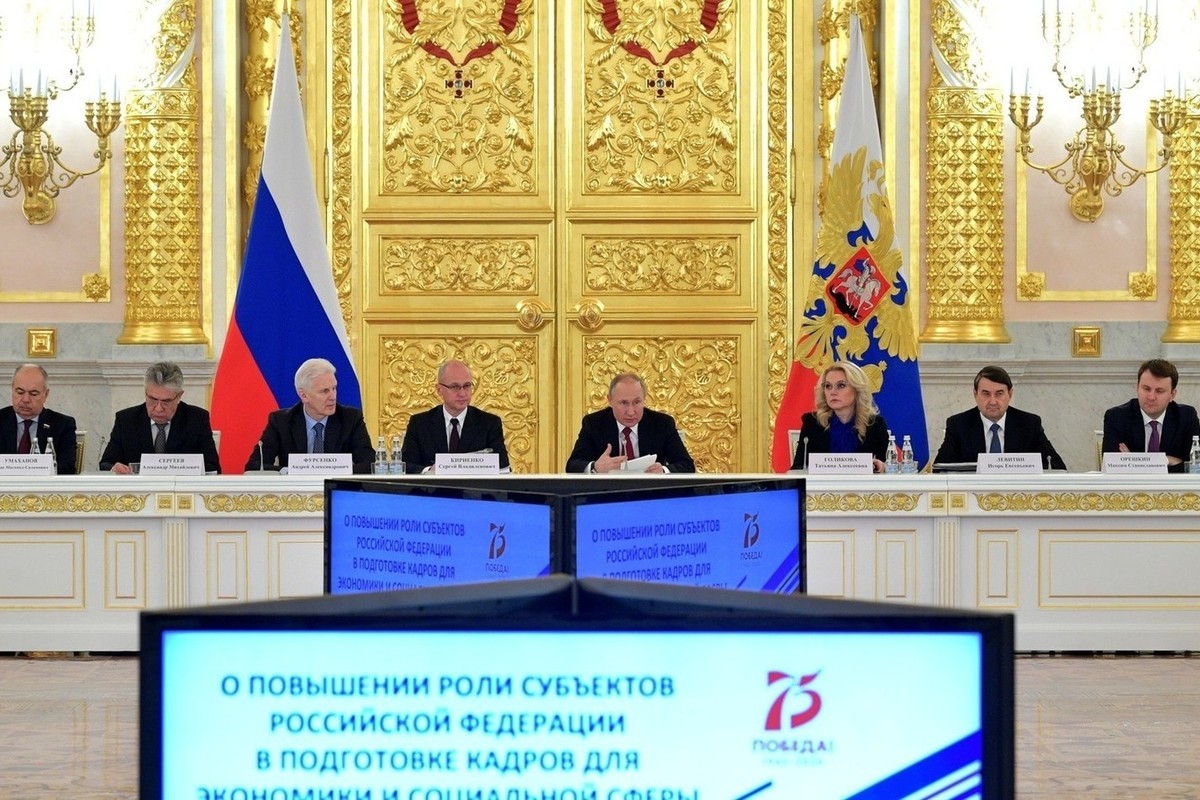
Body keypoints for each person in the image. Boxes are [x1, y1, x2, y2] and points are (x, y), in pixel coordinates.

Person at [245, 358, 374, 473]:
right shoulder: (281, 421)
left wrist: (333, 471)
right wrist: (291, 472)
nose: (333, 397)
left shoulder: (351, 418)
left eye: (334, 388)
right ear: (304, 395)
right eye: (325, 391)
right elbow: (254, 466)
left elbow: (370, 464)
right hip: (296, 491)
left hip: (336, 490)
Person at [934, 365, 1067, 470]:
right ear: (975, 394)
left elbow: (1056, 468)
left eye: (999, 394)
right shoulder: (959, 425)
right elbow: (940, 469)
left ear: (1010, 394)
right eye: (986, 394)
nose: (993, 401)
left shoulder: (1029, 424)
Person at [99, 361, 221, 473]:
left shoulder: (196, 420)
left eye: (166, 402)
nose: (158, 408)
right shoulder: (126, 420)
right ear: (145, 393)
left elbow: (213, 469)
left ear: (179, 396)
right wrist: (114, 468)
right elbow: (105, 464)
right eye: (152, 399)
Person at [565, 373, 695, 474]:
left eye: (637, 402)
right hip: (608, 494)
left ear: (644, 399)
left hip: (649, 494)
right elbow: (573, 465)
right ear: (610, 400)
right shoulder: (593, 423)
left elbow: (687, 465)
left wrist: (663, 471)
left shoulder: (662, 424)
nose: (631, 412)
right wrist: (596, 467)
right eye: (624, 403)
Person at [400, 360, 510, 473]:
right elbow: (405, 466)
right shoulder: (419, 424)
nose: (462, 393)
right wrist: (430, 471)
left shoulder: (489, 424)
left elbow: (503, 468)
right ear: (439, 390)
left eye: (467, 386)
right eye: (455, 387)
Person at [1102, 358, 1200, 473]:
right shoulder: (1117, 417)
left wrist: (1133, 461)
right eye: (1146, 389)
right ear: (1137, 388)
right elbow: (1112, 467)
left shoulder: (1186, 417)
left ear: (1172, 395)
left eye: (1159, 391)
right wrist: (1168, 461)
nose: (1151, 397)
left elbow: (1194, 467)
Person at [789, 361, 889, 472]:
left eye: (841, 385)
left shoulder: (875, 425)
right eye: (828, 386)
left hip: (861, 483)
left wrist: (882, 466)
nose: (832, 392)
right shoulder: (812, 423)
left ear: (857, 389)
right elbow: (798, 468)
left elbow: (884, 468)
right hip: (822, 483)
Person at [0, 364, 78, 475]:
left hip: (45, 485)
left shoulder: (63, 425)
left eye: (33, 394)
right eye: (20, 392)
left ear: (45, 394)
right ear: (12, 390)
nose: (26, 399)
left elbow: (67, 468)